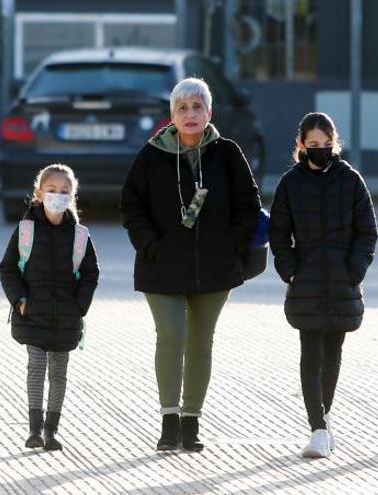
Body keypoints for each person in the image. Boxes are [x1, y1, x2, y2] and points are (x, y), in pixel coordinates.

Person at [120, 77, 261, 452]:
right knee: (171, 336)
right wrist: (151, 246)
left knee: (201, 342)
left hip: (215, 268)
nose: (190, 114)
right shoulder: (151, 154)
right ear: (172, 115)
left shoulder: (227, 153)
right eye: (182, 108)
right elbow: (131, 207)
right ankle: (168, 421)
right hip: (161, 267)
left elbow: (249, 204)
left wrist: (231, 245)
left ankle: (191, 423)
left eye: (197, 107)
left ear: (209, 113)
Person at [268, 112, 378, 459]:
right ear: (301, 144)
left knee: (333, 355)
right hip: (307, 283)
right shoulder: (290, 183)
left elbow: (367, 232)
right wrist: (290, 271)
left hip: (342, 283)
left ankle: (324, 422)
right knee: (310, 353)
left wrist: (355, 271)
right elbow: (278, 234)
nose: (320, 150)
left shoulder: (351, 181)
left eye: (326, 145)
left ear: (335, 144)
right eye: (313, 144)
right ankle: (317, 427)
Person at [0, 163, 99, 451]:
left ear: (72, 195)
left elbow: (91, 273)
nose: (58, 195)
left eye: (64, 191)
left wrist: (80, 305)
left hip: (66, 317)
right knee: (37, 365)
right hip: (32, 314)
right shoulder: (26, 230)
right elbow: (8, 268)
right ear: (39, 193)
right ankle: (35, 429)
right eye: (52, 190)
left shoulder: (80, 235)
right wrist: (19, 300)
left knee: (59, 372)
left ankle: (52, 431)